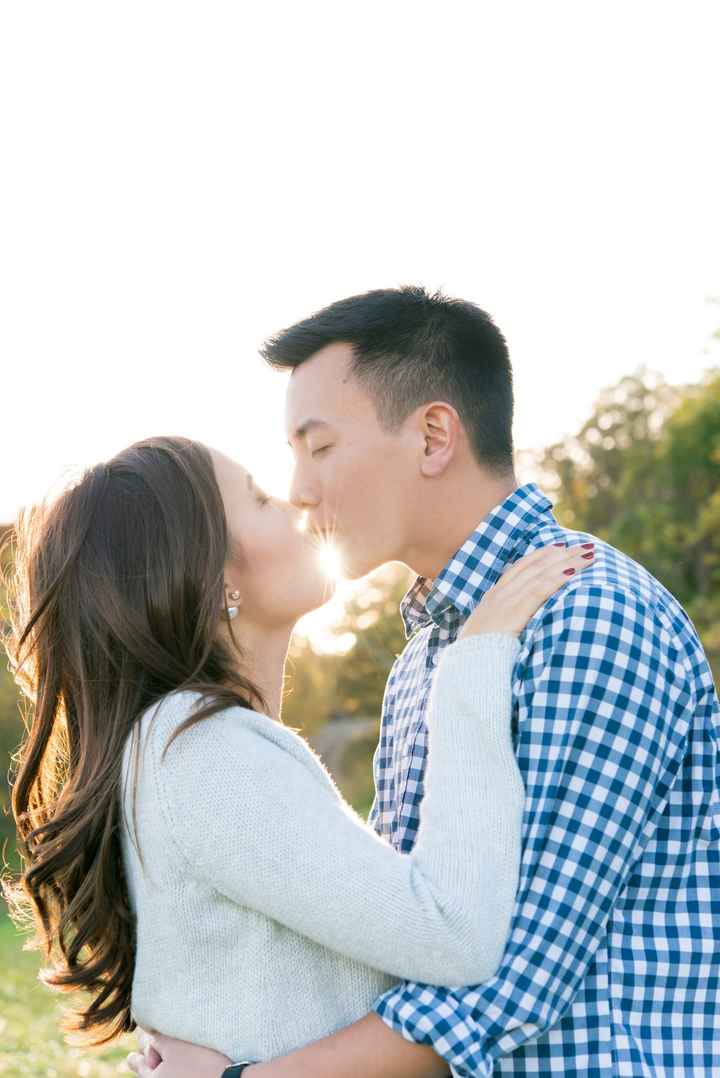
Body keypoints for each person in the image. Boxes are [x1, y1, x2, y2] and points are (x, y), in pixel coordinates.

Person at [129, 288, 720, 1077]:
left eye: (321, 447)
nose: (302, 491)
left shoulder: (589, 615)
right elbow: (405, 940)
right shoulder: (427, 661)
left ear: (435, 436)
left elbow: (506, 977)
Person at [3, 435, 590, 1072]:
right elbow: (452, 934)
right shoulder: (205, 753)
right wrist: (475, 661)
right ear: (214, 579)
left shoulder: (191, 743)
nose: (295, 504)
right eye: (259, 500)